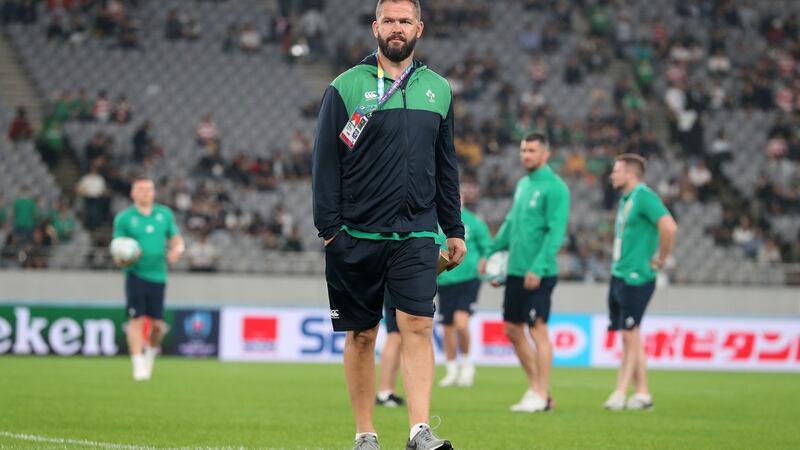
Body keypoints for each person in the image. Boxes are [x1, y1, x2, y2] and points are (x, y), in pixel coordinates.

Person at [311, 1, 465, 448]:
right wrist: (331, 230)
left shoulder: (438, 89)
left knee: (417, 324)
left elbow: (446, 165)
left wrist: (453, 228)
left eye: (405, 21)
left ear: (420, 27)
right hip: (355, 234)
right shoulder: (345, 87)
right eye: (389, 21)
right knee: (362, 335)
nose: (397, 28)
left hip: (417, 232)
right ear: (375, 27)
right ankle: (365, 434)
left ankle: (419, 430)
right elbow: (324, 164)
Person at [489, 133, 570, 413]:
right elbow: (511, 223)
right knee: (512, 329)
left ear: (545, 154)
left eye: (532, 150)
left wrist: (538, 266)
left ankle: (541, 392)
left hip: (539, 272)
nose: (526, 155)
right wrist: (490, 251)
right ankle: (538, 390)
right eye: (523, 150)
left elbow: (555, 231)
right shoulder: (523, 184)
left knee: (538, 329)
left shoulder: (556, 188)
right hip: (515, 269)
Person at [602, 154, 677, 411]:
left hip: (637, 276)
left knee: (629, 334)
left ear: (630, 174)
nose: (612, 175)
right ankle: (643, 394)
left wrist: (661, 258)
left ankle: (620, 391)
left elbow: (669, 226)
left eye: (616, 170)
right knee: (631, 335)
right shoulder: (627, 199)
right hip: (621, 273)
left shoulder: (644, 196)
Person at [112, 175, 184, 381]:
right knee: (136, 320)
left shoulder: (164, 214)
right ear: (133, 193)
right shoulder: (124, 218)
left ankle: (150, 354)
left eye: (148, 189)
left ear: (154, 192)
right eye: (141, 189)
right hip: (135, 274)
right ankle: (137, 364)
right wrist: (123, 259)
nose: (145, 193)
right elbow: (118, 249)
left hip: (159, 276)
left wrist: (177, 250)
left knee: (158, 326)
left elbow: (177, 239)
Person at [437, 196, 492, 387]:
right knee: (447, 328)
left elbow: (487, 246)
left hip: (468, 278)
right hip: (445, 279)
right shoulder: (435, 222)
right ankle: (452, 369)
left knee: (461, 322)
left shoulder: (474, 222)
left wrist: (484, 261)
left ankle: (467, 365)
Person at [375, 303, 405, 408]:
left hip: (396, 291)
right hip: (396, 290)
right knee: (394, 336)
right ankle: (384, 391)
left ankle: (389, 390)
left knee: (397, 337)